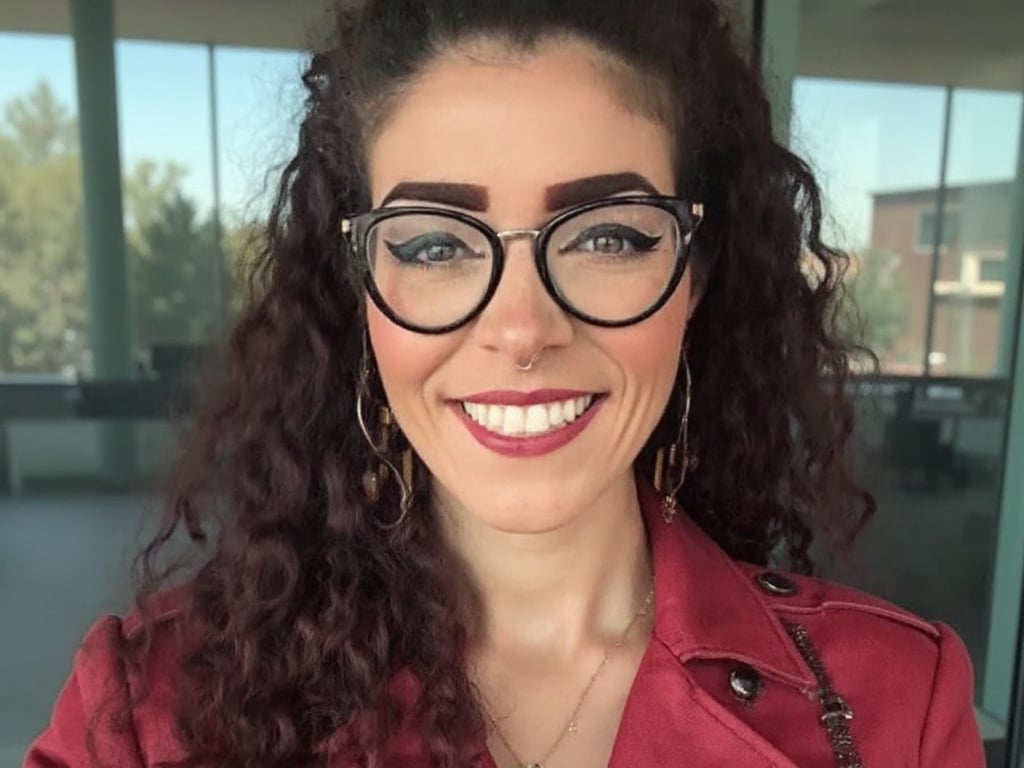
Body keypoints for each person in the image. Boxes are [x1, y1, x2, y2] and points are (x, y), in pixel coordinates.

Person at [26, 0, 985, 766]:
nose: (522, 329)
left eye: (608, 236)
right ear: (360, 289)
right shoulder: (147, 713)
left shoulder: (895, 705)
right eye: (435, 245)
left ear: (694, 277)